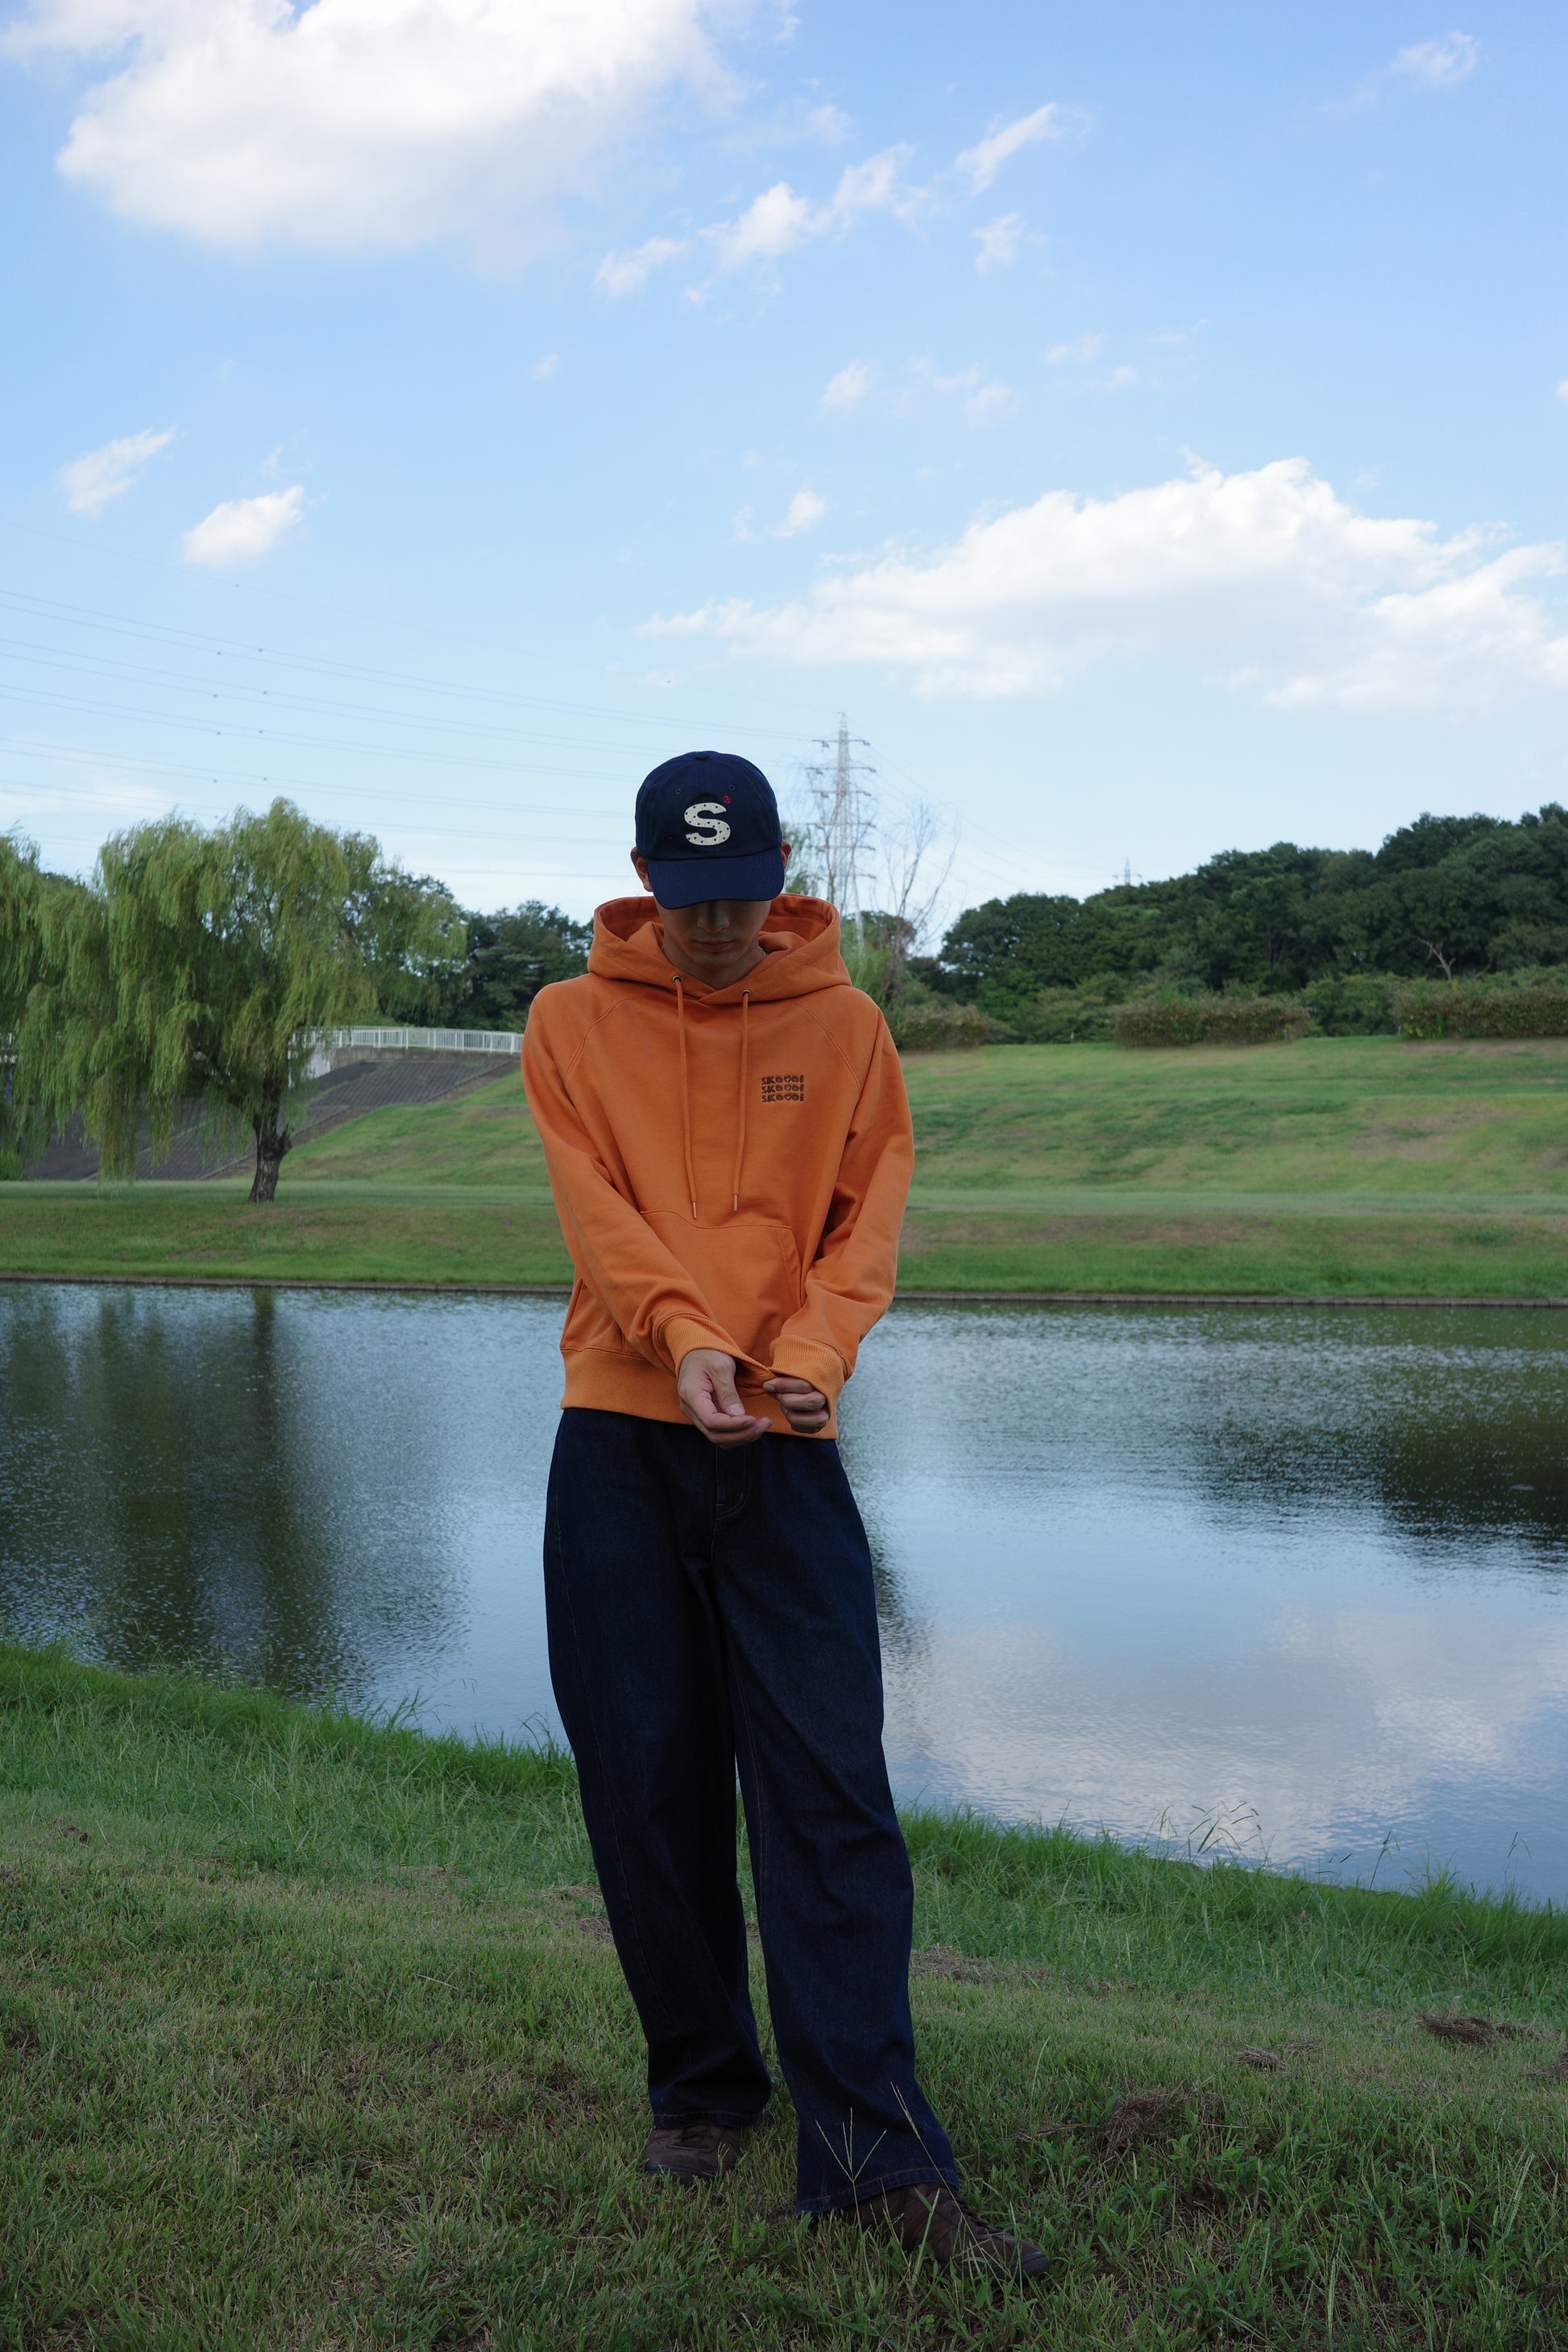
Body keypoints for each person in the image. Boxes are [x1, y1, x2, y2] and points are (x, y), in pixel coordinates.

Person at [522, 749, 1047, 2279]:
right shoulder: (567, 1020)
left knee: (828, 1796)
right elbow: (598, 1211)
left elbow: (864, 1221)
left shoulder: (847, 1024)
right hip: (619, 1438)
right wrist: (683, 1334)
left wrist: (808, 1359)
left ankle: (879, 2158)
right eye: (690, 900)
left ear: (780, 877)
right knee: (646, 1782)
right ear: (644, 882)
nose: (715, 926)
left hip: (788, 1444)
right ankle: (702, 2086)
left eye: (741, 895)